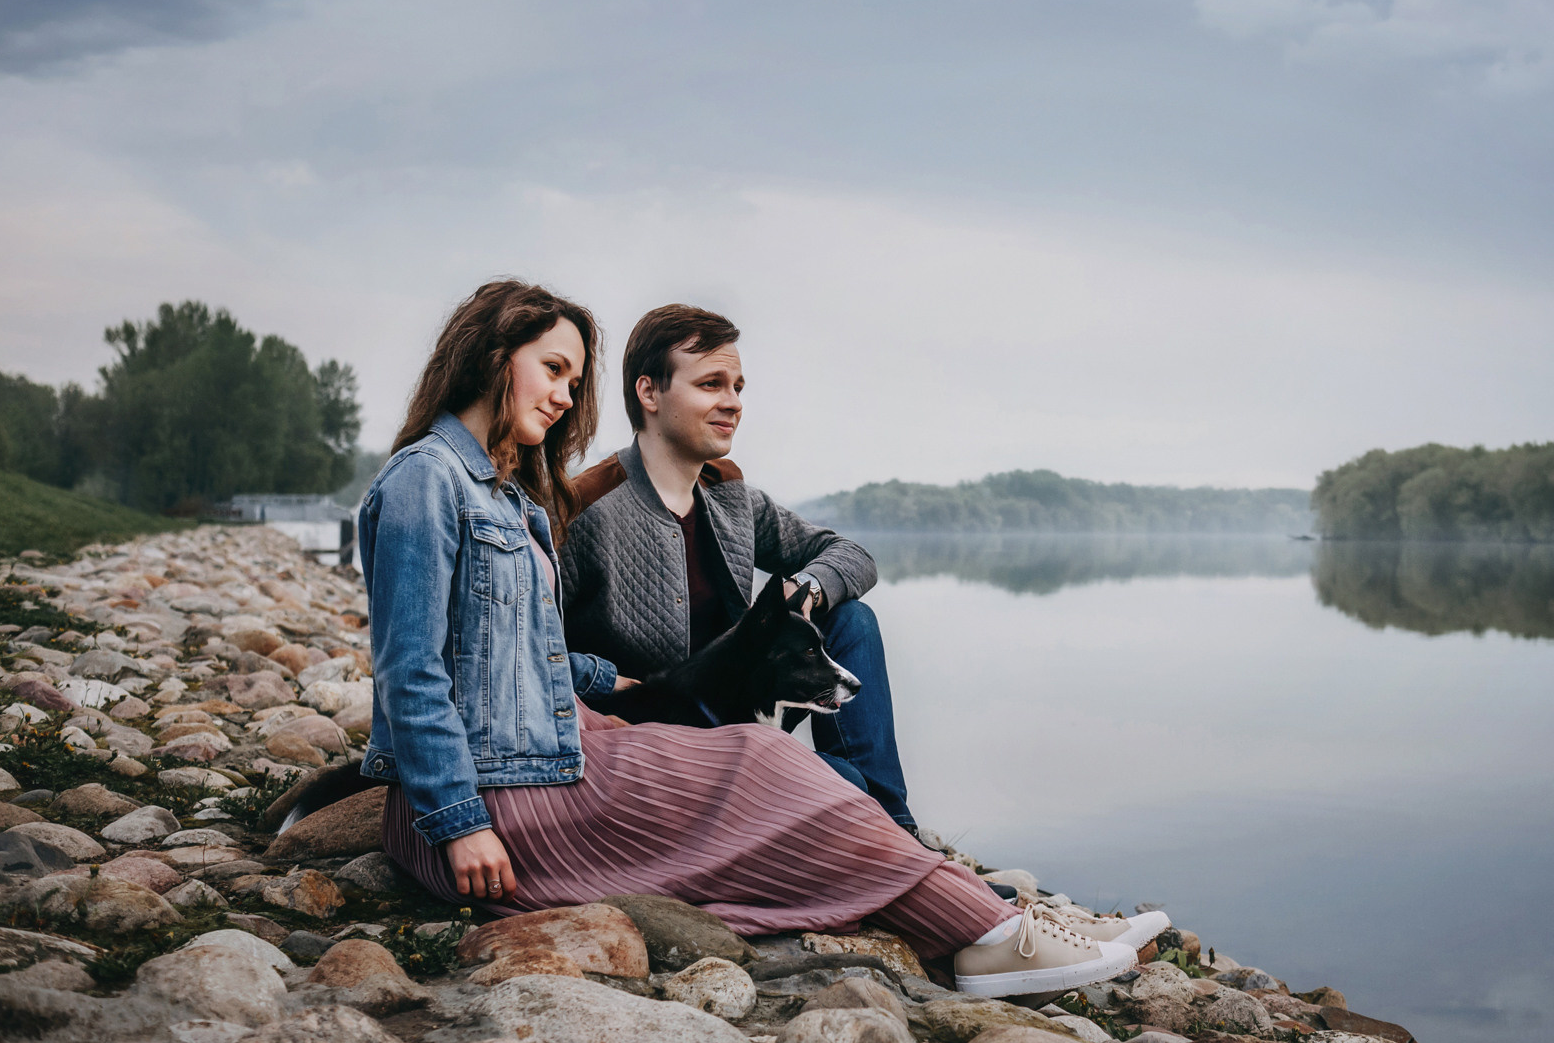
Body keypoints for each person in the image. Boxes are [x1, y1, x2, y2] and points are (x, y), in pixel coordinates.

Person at [358, 279, 1165, 995]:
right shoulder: (437, 481)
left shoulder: (510, 496)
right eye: (554, 369)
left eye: (575, 377)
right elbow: (413, 673)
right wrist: (459, 821)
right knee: (773, 768)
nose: (568, 395)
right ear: (494, 354)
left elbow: (519, 654)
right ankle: (988, 931)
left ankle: (985, 914)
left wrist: (608, 688)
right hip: (503, 790)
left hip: (555, 746)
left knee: (794, 720)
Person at [557, 304, 927, 839]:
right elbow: (518, 650)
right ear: (649, 393)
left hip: (736, 711)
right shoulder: (582, 510)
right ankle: (871, 823)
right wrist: (598, 679)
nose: (733, 402)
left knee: (852, 619)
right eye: (711, 384)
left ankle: (897, 830)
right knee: (847, 785)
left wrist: (807, 590)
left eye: (737, 387)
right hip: (654, 740)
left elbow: (850, 554)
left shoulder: (730, 495)